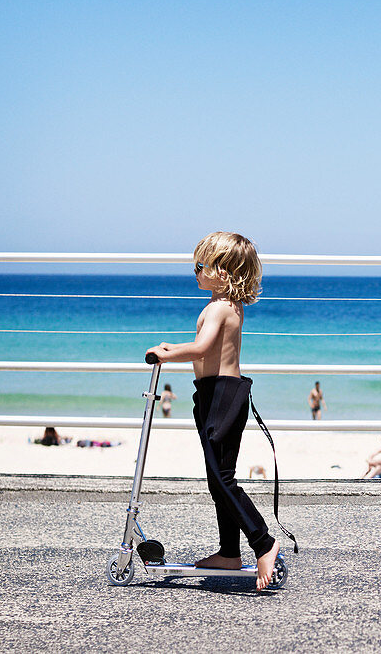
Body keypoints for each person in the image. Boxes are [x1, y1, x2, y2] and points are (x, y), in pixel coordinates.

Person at [146, 231, 282, 591]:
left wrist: (167, 352)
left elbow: (202, 348)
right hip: (212, 393)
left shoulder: (220, 308)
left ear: (223, 272)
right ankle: (228, 553)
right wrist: (174, 348)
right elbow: (205, 349)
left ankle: (263, 542)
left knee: (223, 479)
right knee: (217, 478)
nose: (196, 271)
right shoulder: (224, 306)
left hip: (222, 394)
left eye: (201, 265)